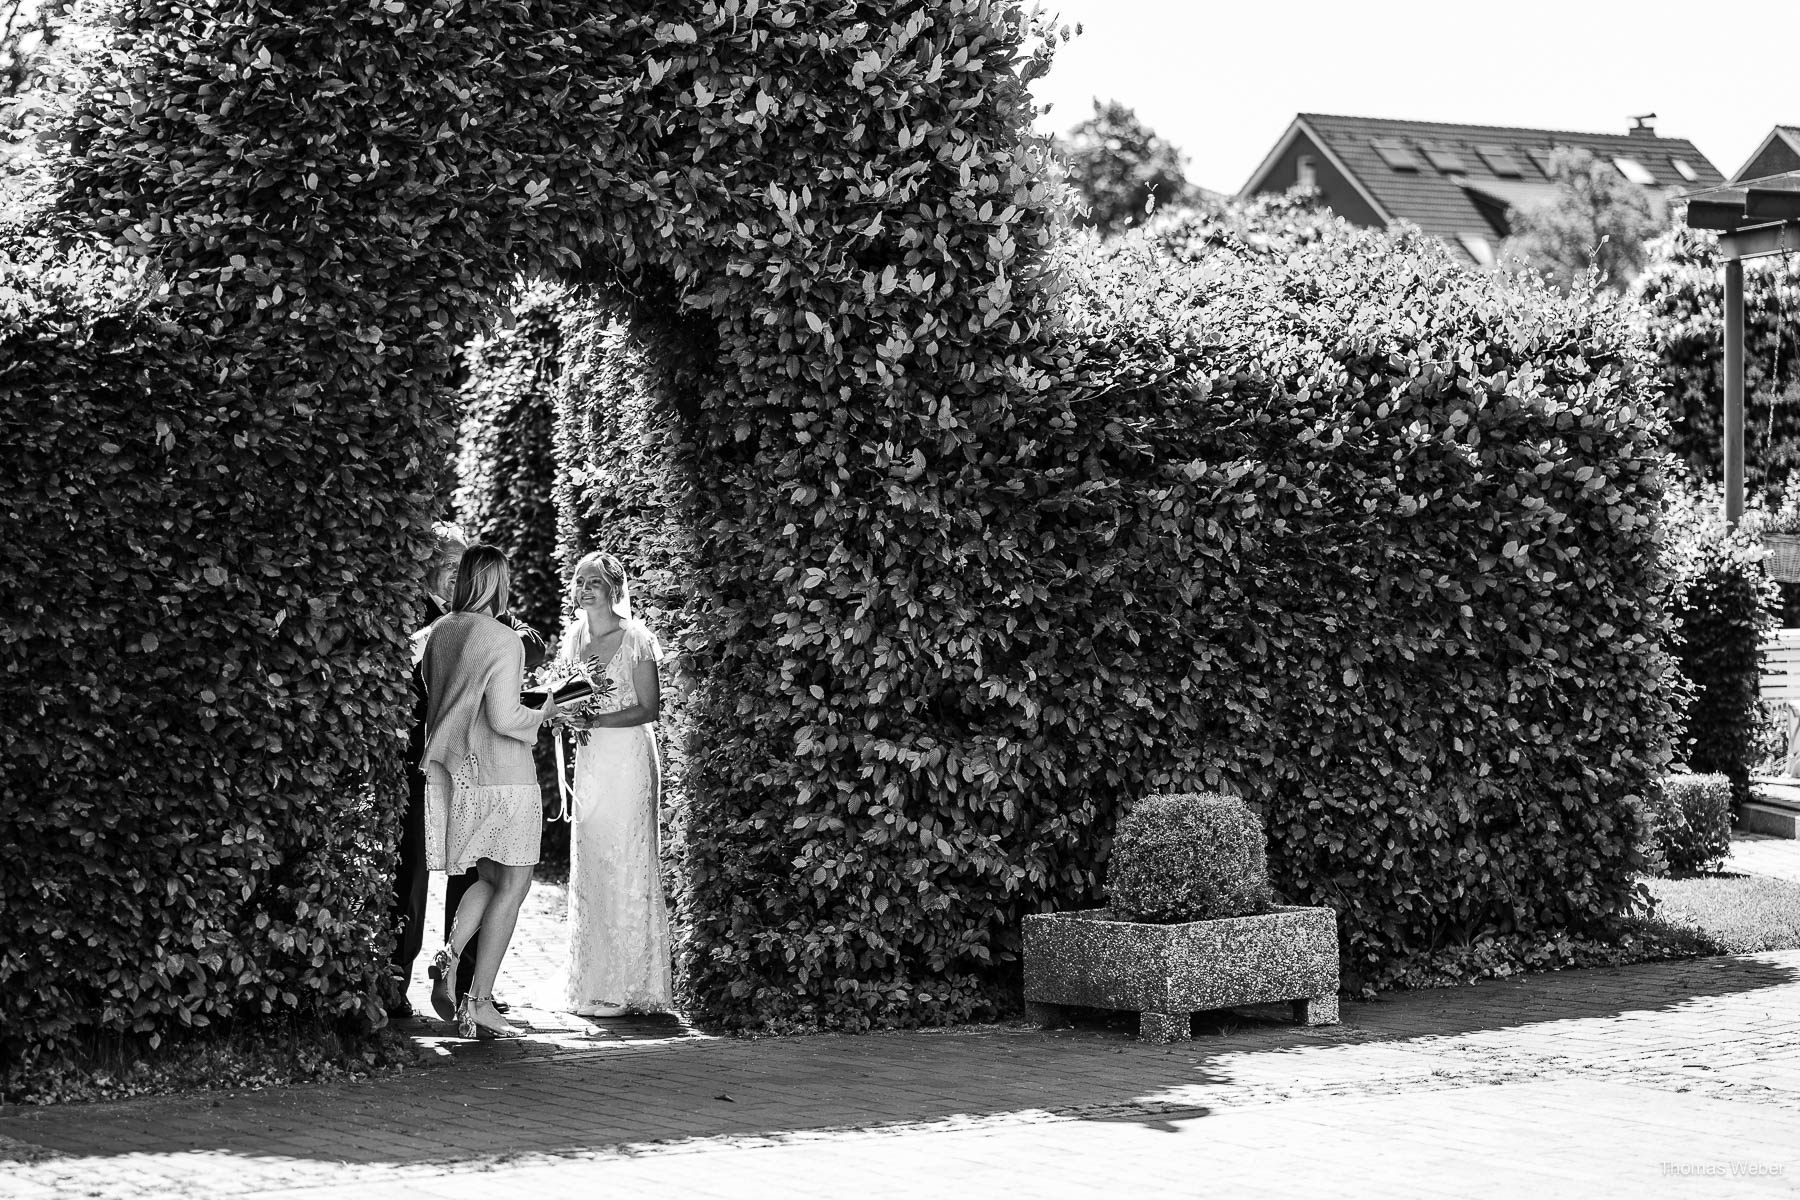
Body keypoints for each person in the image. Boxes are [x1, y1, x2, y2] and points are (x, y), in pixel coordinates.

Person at [391, 526, 547, 1019]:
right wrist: (546, 714)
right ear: (498, 582)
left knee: (483, 873)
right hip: (502, 773)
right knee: (512, 882)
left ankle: (451, 958)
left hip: (454, 771)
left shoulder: (439, 632)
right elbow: (504, 718)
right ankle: (475, 998)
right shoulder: (499, 636)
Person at [555, 551, 673, 1016]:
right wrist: (565, 714)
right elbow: (567, 694)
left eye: (594, 583)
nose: (584, 589)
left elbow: (649, 709)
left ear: (613, 590)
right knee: (592, 860)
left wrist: (597, 719)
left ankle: (629, 987)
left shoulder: (637, 639)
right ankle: (592, 981)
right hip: (590, 760)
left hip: (626, 760)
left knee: (625, 859)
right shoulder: (574, 637)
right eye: (580, 582)